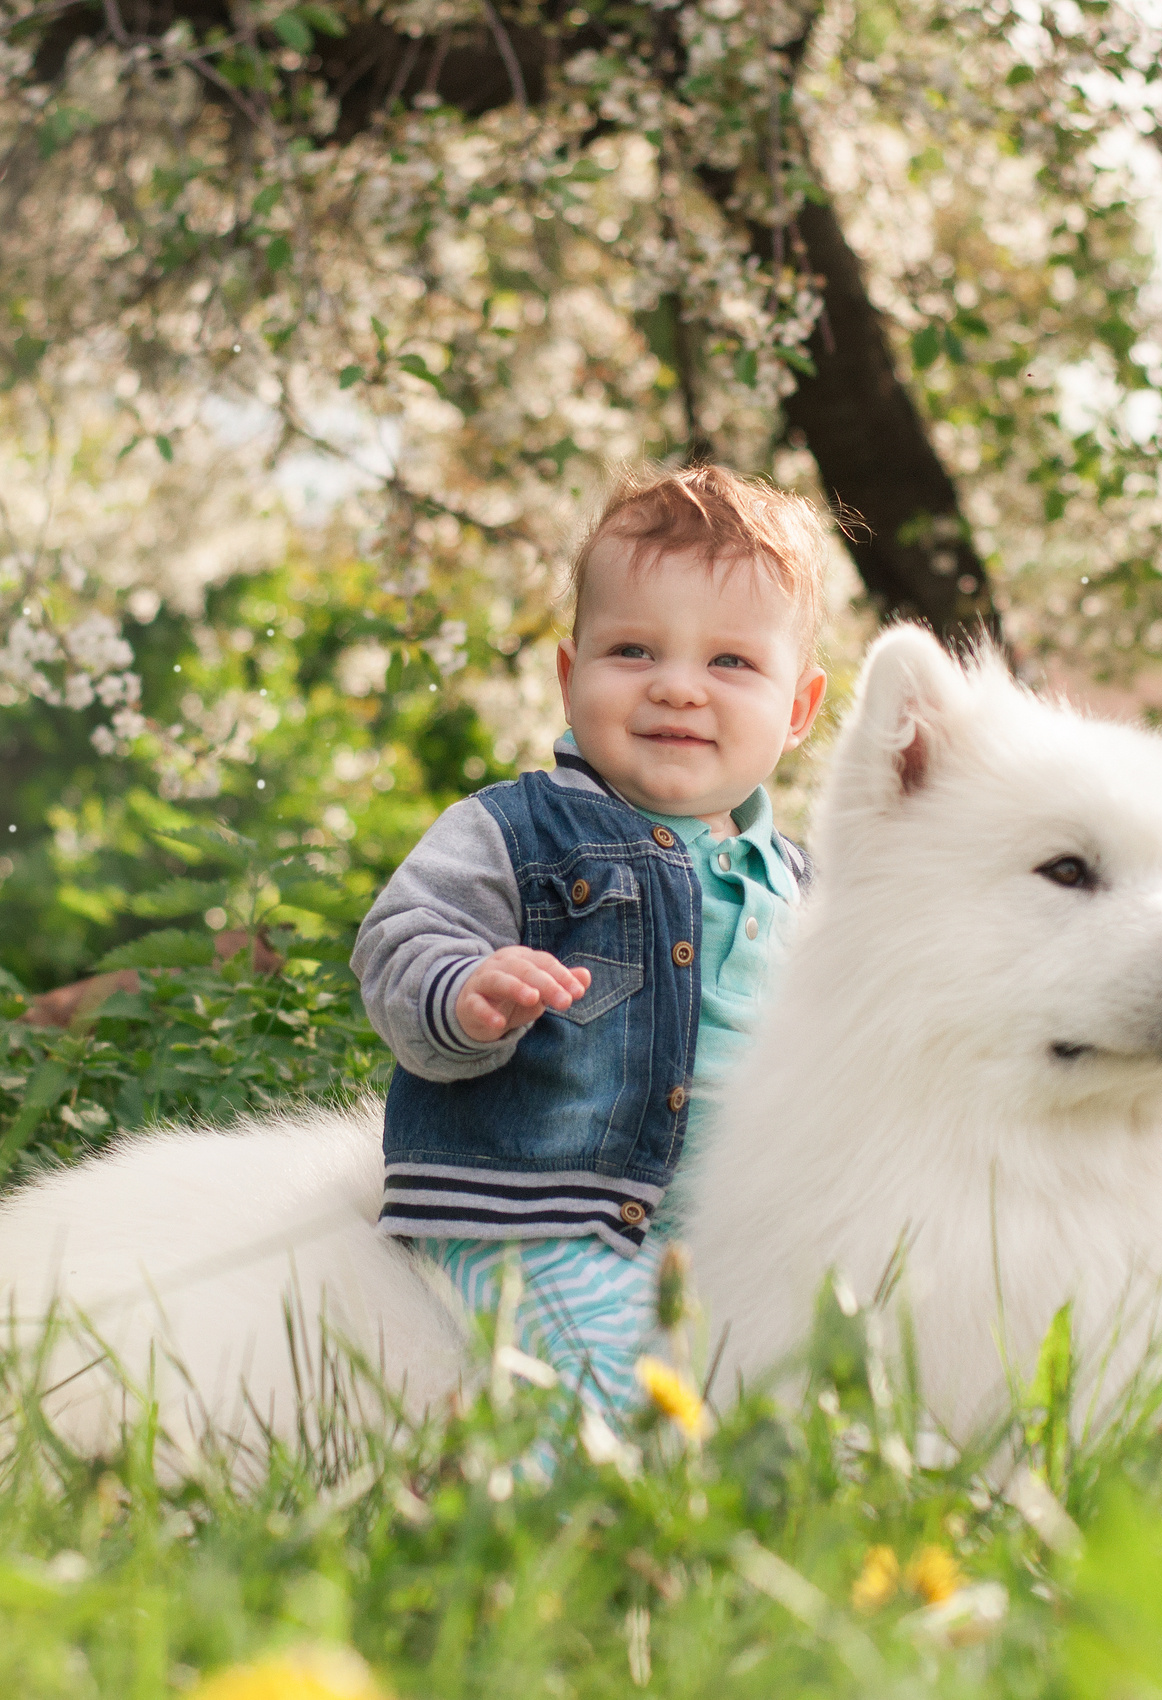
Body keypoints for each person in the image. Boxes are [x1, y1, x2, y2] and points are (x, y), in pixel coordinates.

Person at [348, 464, 831, 1414]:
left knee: (796, 1386)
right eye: (633, 651)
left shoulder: (812, 890)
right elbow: (401, 939)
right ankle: (536, 1497)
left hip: (728, 1231)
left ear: (798, 711)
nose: (678, 688)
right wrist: (465, 991)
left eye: (731, 663)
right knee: (624, 1385)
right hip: (535, 1217)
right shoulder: (519, 830)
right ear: (571, 679)